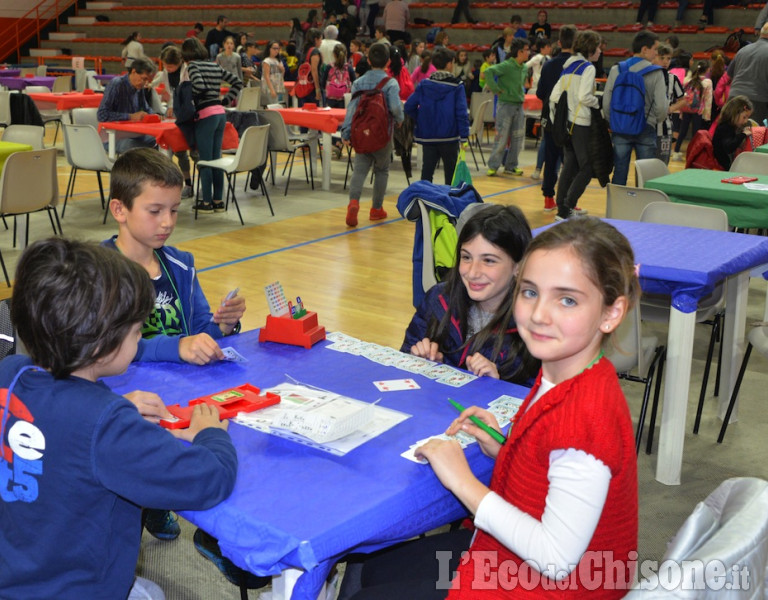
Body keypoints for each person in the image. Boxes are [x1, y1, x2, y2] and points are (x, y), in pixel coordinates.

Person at [346, 216, 639, 599]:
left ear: (611, 312)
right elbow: (551, 473)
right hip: (511, 559)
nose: (538, 314)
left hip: (547, 586)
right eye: (530, 292)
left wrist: (461, 480)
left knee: (367, 589)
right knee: (367, 567)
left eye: (567, 299)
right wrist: (504, 449)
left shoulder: (586, 414)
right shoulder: (567, 374)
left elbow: (554, 557)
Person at [0, 236, 237, 599]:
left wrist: (108, 409)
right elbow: (209, 480)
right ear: (102, 346)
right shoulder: (106, 423)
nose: (141, 336)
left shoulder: (11, 372)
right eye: (137, 331)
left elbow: (60, 418)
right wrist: (211, 435)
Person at [104, 147, 246, 367]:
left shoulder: (181, 266)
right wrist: (177, 347)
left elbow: (199, 332)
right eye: (154, 211)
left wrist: (222, 326)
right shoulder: (96, 272)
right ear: (119, 210)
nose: (167, 222)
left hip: (182, 387)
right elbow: (106, 347)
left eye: (174, 210)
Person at [401, 204, 538, 383]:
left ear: (518, 267)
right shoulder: (438, 299)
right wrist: (422, 363)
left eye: (488, 260)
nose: (472, 273)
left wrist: (498, 386)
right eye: (466, 257)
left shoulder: (535, 325)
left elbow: (540, 401)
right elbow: (403, 358)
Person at [340, 43, 404, 227]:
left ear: (368, 61)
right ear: (389, 62)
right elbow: (395, 108)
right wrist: (400, 119)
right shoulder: (390, 83)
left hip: (361, 134)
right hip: (383, 135)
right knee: (382, 170)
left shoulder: (359, 83)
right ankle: (376, 209)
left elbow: (351, 109)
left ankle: (353, 202)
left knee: (359, 170)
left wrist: (346, 131)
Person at [182, 37, 242, 213]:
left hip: (206, 116)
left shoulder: (192, 66)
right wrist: (224, 100)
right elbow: (238, 82)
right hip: (220, 113)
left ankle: (206, 202)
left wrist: (190, 96)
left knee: (205, 160)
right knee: (216, 159)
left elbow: (199, 86)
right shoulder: (214, 65)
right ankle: (218, 201)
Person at [602, 30, 668, 185]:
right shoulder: (657, 73)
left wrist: (614, 121)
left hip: (620, 127)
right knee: (645, 174)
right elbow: (661, 107)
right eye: (655, 49)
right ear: (645, 49)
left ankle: (617, 207)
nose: (656, 53)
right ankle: (642, 207)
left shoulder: (616, 69)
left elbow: (606, 102)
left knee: (619, 170)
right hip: (645, 126)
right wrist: (654, 121)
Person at [549, 29, 602, 221]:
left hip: (567, 122)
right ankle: (569, 205)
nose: (600, 51)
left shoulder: (568, 67)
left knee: (570, 165)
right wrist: (599, 104)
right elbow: (584, 97)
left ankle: (562, 210)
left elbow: (554, 97)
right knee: (587, 167)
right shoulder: (588, 68)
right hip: (581, 123)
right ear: (590, 48)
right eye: (598, 47)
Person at [405, 47, 469, 185]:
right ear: (449, 64)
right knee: (451, 173)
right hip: (449, 136)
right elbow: (461, 112)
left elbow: (409, 106)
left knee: (427, 172)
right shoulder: (457, 86)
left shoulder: (424, 84)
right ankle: (449, 202)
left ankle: (424, 200)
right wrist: (464, 136)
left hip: (428, 135)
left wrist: (421, 119)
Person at [537, 25, 576, 212]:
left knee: (550, 158)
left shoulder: (549, 64)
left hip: (550, 118)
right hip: (571, 119)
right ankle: (570, 199)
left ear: (559, 43)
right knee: (570, 160)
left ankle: (548, 198)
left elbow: (540, 93)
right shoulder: (579, 65)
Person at [152, 45, 195, 198]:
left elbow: (188, 96)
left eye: (170, 66)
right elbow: (166, 91)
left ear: (179, 63)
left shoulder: (188, 71)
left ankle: (195, 184)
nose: (167, 68)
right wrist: (170, 105)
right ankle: (182, 183)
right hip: (174, 117)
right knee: (177, 151)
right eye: (165, 65)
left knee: (192, 153)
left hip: (190, 116)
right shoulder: (165, 73)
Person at [484, 37, 529, 177]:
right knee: (502, 137)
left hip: (518, 106)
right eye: (527, 50)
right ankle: (493, 165)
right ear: (520, 52)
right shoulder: (507, 65)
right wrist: (496, 89)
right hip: (505, 106)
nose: (529, 53)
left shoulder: (524, 67)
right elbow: (488, 72)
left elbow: (521, 84)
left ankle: (511, 166)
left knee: (517, 138)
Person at [97, 57, 158, 154]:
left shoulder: (139, 87)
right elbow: (102, 115)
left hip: (133, 134)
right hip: (112, 137)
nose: (145, 83)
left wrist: (154, 116)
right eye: (144, 79)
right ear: (133, 72)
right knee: (139, 149)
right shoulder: (116, 84)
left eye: (148, 81)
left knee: (159, 141)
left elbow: (147, 109)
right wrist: (130, 116)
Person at [727, 23, 768, 124]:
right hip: (757, 101)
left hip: (734, 97)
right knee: (754, 136)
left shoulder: (743, 50)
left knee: (731, 134)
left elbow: (729, 74)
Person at [653, 42, 686, 165]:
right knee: (645, 162)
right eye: (662, 58)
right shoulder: (646, 75)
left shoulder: (672, 78)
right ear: (654, 57)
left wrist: (671, 108)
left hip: (665, 128)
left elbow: (684, 100)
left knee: (662, 163)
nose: (666, 61)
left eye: (668, 58)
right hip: (647, 127)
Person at [672, 59, 711, 159]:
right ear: (707, 70)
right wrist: (707, 115)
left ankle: (676, 151)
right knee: (696, 132)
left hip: (686, 109)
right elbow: (708, 99)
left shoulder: (688, 80)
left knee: (683, 131)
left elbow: (685, 96)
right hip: (698, 110)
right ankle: (693, 154)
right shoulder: (707, 82)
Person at [712, 95, 753, 169]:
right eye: (744, 117)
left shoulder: (728, 125)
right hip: (720, 166)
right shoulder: (726, 127)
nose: (746, 121)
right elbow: (729, 147)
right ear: (735, 114)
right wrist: (743, 134)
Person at [325, 43, 355, 108]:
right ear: (346, 54)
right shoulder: (349, 68)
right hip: (344, 99)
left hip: (330, 98)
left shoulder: (329, 67)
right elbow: (354, 82)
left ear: (334, 54)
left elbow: (322, 82)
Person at [261, 40, 286, 106]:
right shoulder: (267, 61)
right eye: (274, 48)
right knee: (272, 105)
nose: (276, 50)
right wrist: (272, 90)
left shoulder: (278, 61)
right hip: (270, 88)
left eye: (277, 48)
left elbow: (281, 75)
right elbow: (266, 76)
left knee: (279, 105)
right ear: (269, 49)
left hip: (278, 87)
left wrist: (283, 70)